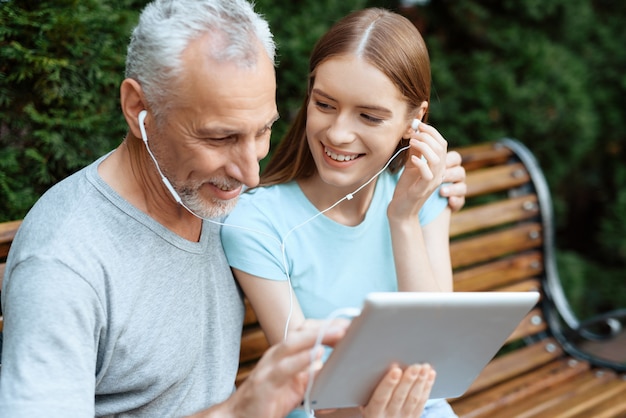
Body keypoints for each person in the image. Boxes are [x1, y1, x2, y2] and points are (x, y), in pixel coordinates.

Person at [0, 1, 465, 417]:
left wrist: (433, 186)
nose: (251, 176)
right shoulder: (64, 264)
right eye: (221, 137)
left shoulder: (211, 201)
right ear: (137, 108)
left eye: (262, 131)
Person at [221, 7, 460, 418]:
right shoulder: (256, 224)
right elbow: (308, 387)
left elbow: (435, 355)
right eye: (325, 104)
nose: (337, 133)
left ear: (414, 121)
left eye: (369, 115)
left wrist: (403, 218)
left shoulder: (423, 196)